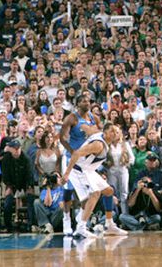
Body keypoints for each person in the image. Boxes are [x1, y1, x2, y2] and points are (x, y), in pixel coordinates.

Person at [61, 122, 127, 237]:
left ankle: (109, 224)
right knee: (95, 193)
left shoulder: (105, 141)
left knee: (109, 191)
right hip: (78, 170)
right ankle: (81, 227)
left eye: (116, 132)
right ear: (105, 132)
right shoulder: (98, 145)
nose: (115, 134)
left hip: (88, 170)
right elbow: (76, 153)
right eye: (112, 131)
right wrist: (66, 174)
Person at [59, 94, 100, 235]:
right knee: (68, 191)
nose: (87, 103)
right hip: (71, 158)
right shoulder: (71, 118)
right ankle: (66, 219)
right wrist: (72, 151)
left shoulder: (93, 118)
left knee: (90, 192)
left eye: (88, 100)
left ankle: (80, 219)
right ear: (77, 104)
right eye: (83, 101)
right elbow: (62, 138)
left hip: (85, 161)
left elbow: (97, 135)